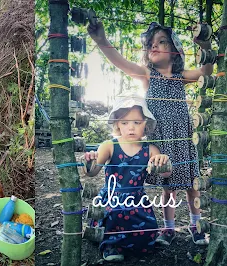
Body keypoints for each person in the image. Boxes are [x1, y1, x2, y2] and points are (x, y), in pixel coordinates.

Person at [88, 21, 213, 246]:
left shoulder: (181, 76)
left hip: (183, 138)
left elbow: (207, 71)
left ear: (175, 50)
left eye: (161, 42)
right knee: (169, 189)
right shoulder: (149, 75)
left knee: (193, 186)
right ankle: (169, 229)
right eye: (150, 44)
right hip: (162, 141)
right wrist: (101, 41)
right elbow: (122, 63)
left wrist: (204, 44)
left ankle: (196, 225)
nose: (153, 47)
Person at [83, 92, 171, 262]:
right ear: (117, 124)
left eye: (137, 122)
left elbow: (166, 174)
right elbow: (92, 173)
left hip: (137, 199)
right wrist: (89, 162)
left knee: (147, 229)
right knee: (115, 214)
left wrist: (164, 161)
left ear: (145, 124)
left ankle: (137, 243)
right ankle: (111, 245)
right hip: (111, 198)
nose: (131, 127)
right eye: (125, 122)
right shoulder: (109, 146)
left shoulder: (151, 149)